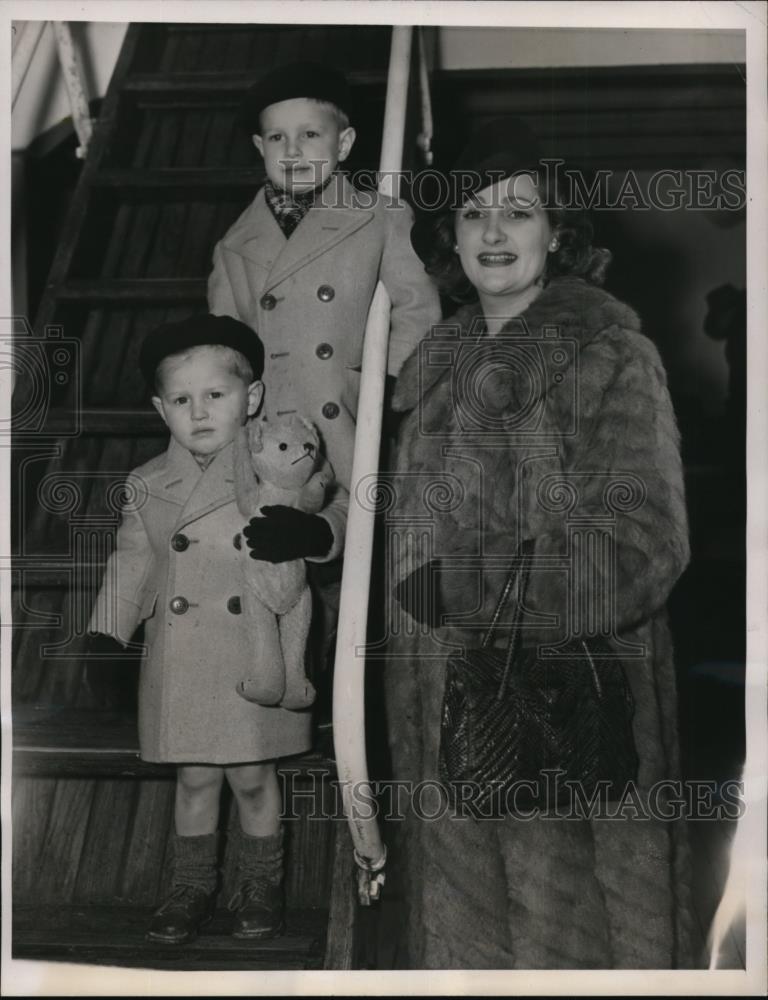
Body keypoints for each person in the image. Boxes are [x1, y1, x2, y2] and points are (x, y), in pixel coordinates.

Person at [385, 118, 696, 969]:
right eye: (474, 214)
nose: (493, 231)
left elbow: (645, 542)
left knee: (571, 948)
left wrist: (478, 593)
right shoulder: (430, 372)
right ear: (449, 238)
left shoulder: (610, 355)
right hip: (444, 720)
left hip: (565, 709)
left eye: (518, 212)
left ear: (558, 234)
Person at [87, 314, 346, 945]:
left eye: (216, 395)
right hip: (184, 658)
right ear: (159, 408)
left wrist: (314, 534)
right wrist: (106, 634)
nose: (198, 412)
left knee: (255, 776)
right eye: (181, 399)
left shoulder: (277, 461)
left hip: (256, 652)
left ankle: (260, 885)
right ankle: (191, 884)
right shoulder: (148, 483)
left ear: (252, 397)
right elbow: (134, 561)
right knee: (195, 777)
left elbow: (332, 500)